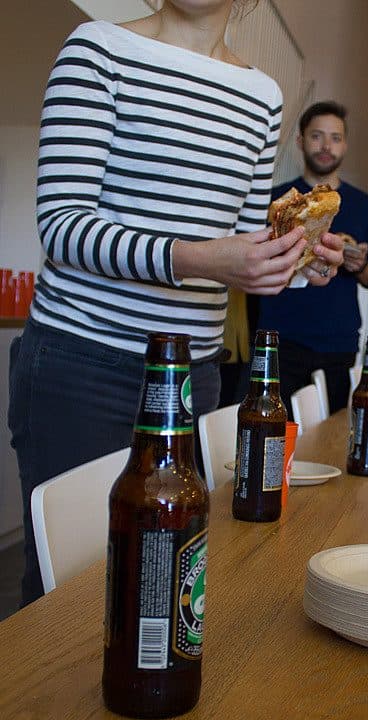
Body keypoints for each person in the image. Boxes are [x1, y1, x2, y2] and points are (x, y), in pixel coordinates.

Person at [7, 0, 343, 607]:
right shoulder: (98, 49)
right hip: (84, 365)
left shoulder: (261, 95)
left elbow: (247, 244)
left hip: (193, 376)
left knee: (162, 580)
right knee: (66, 598)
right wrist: (197, 259)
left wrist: (300, 260)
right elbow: (62, 226)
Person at [255, 101, 368, 416]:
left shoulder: (364, 206)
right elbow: (256, 263)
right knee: (274, 434)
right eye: (317, 136)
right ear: (300, 141)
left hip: (337, 343)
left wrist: (357, 266)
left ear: (345, 144)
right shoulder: (278, 202)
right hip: (279, 338)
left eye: (336, 138)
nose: (327, 146)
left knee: (331, 440)